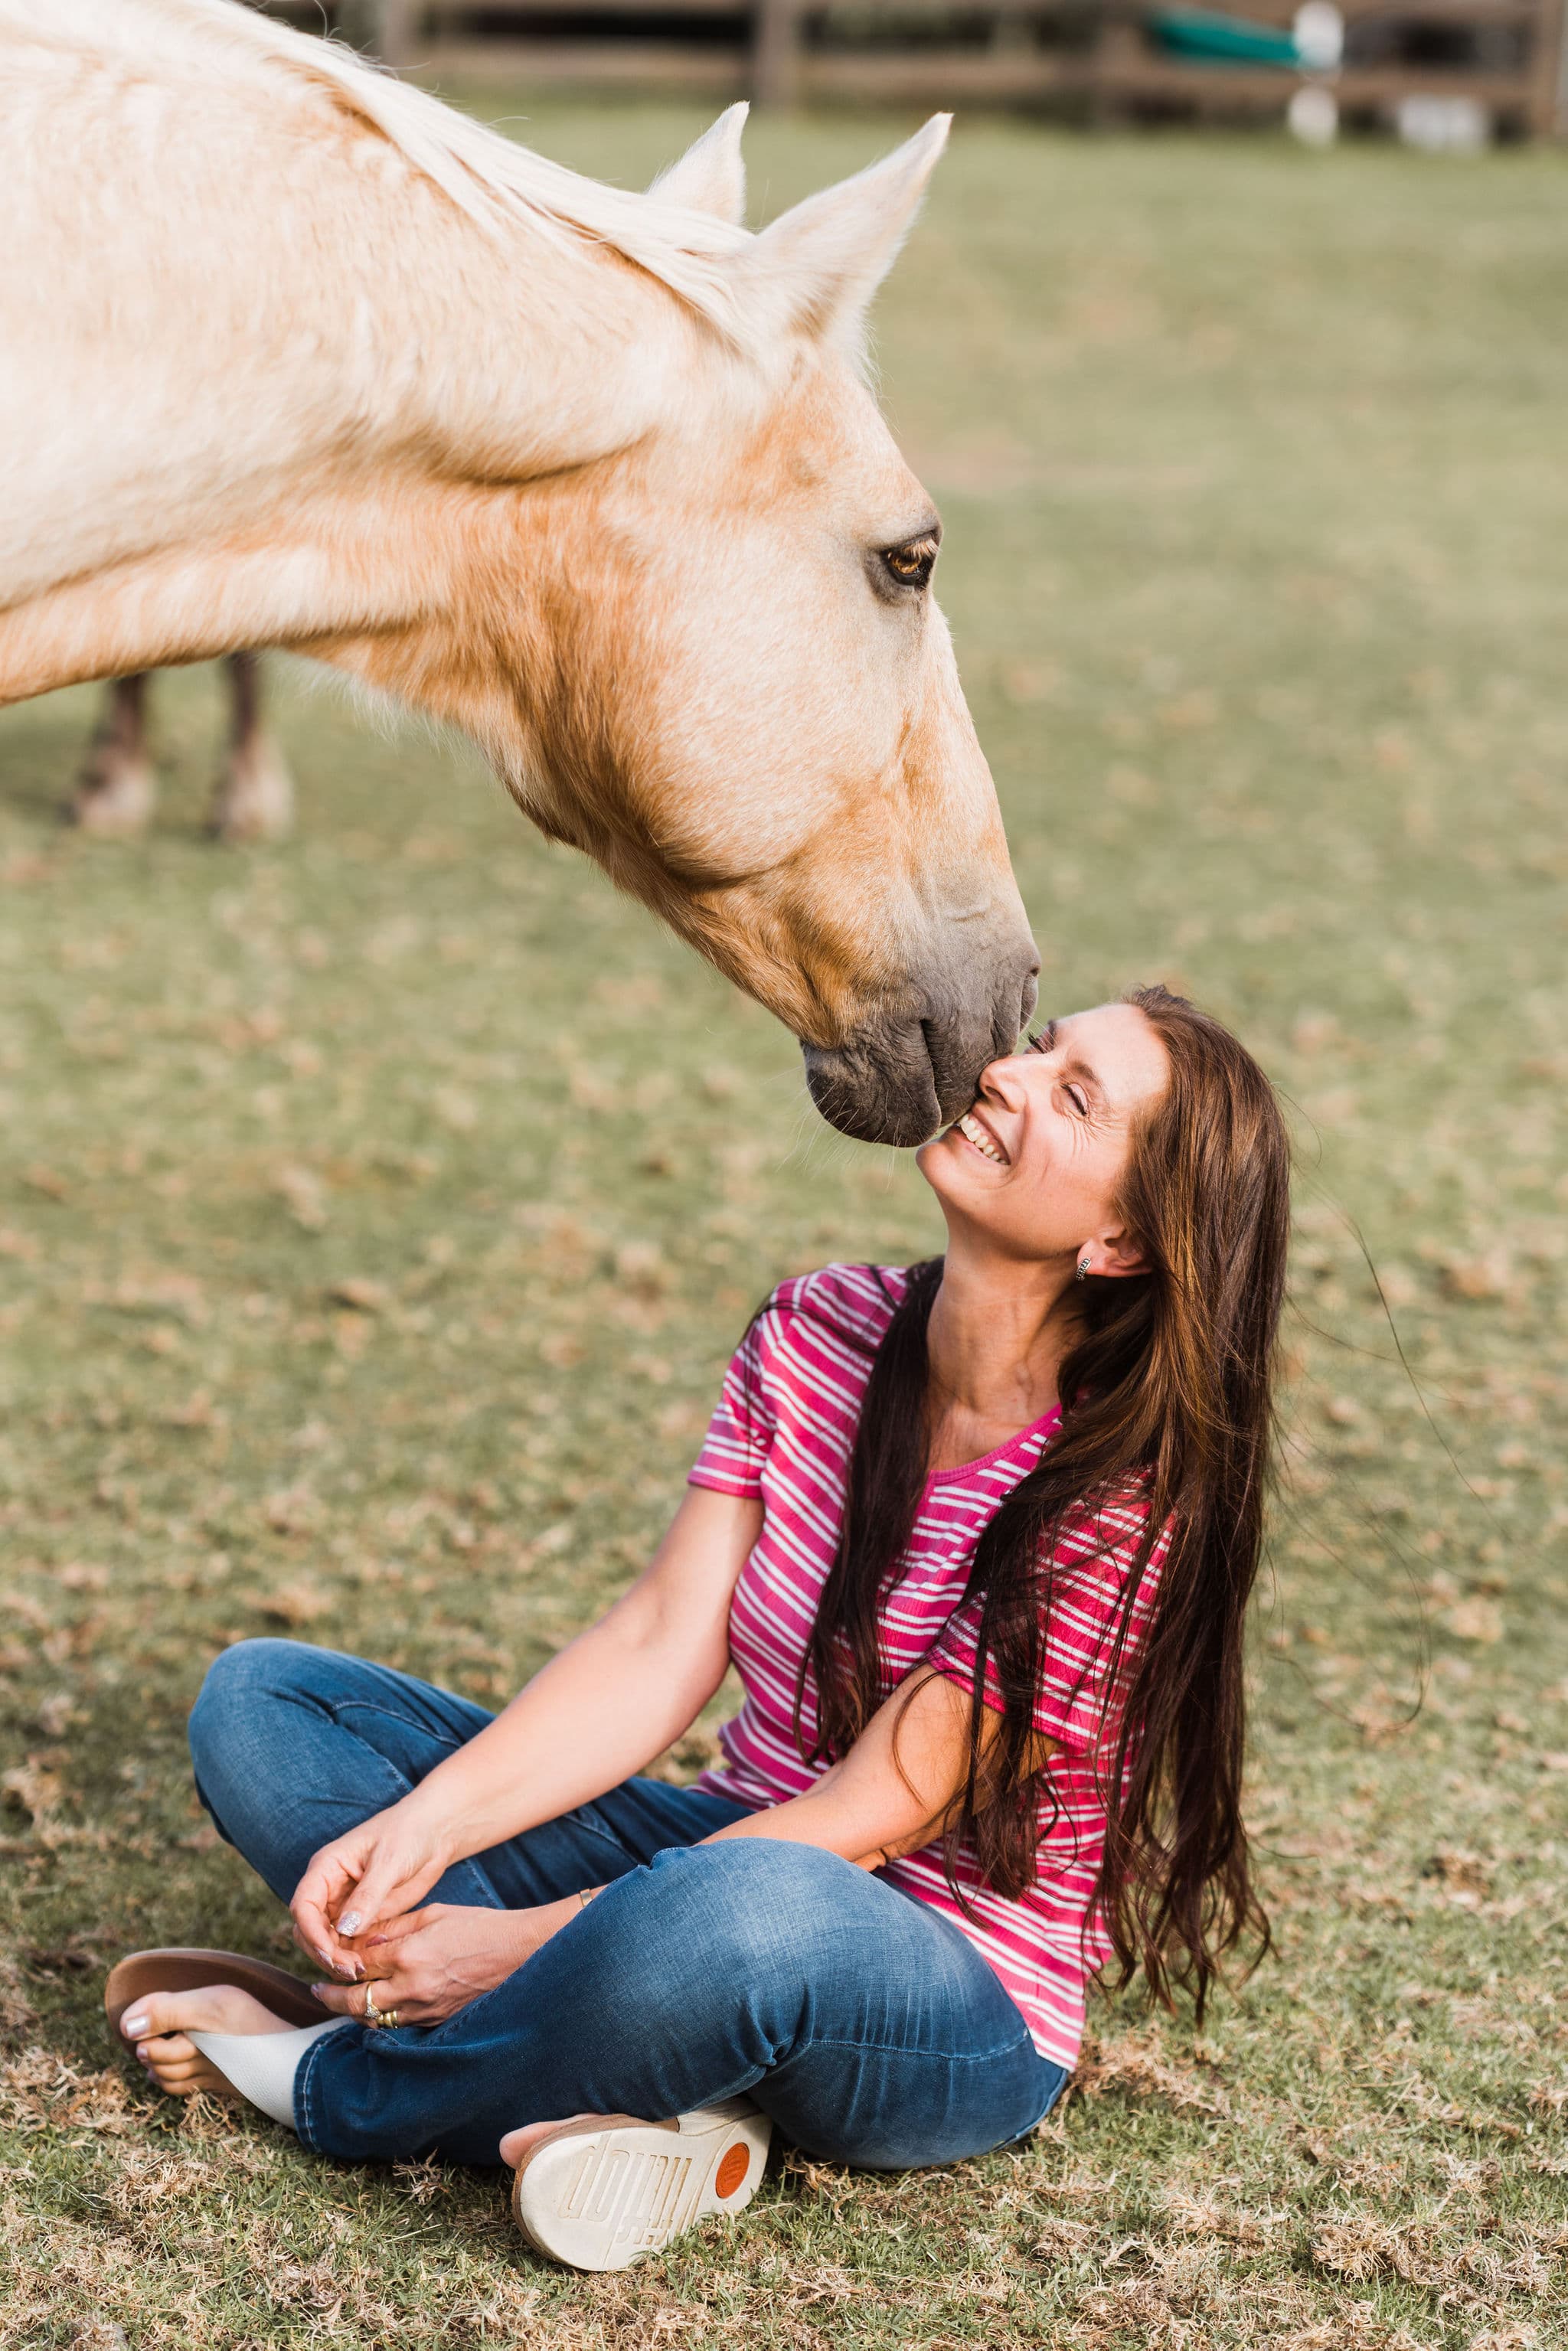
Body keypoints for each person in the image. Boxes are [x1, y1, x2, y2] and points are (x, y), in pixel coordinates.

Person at [107, 984, 1290, 2274]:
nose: (1004, 1073)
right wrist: (423, 1833)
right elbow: (663, 1639)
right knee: (266, 1706)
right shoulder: (816, 1331)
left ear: (1122, 1239)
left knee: (746, 1916)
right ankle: (660, 2103)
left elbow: (869, 1820)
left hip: (942, 1986)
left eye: (1074, 1096)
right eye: (1041, 1042)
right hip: (714, 1861)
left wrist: (512, 1942)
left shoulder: (1125, 1495)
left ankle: (327, 2077)